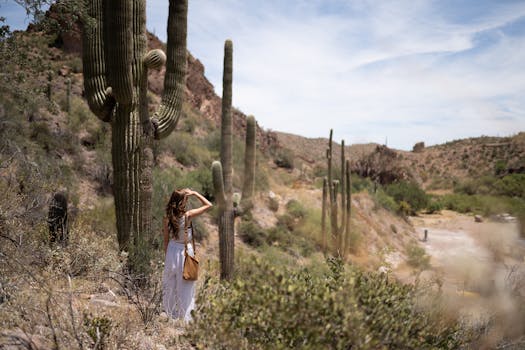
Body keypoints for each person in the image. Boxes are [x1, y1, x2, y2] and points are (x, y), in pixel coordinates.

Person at [162, 188, 212, 322]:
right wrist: (195, 193)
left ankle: (169, 314)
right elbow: (209, 205)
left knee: (170, 284)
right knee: (186, 287)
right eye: (186, 200)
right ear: (180, 203)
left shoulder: (167, 218)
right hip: (185, 251)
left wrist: (167, 257)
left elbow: (165, 241)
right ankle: (185, 318)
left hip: (171, 250)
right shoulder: (188, 216)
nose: (187, 203)